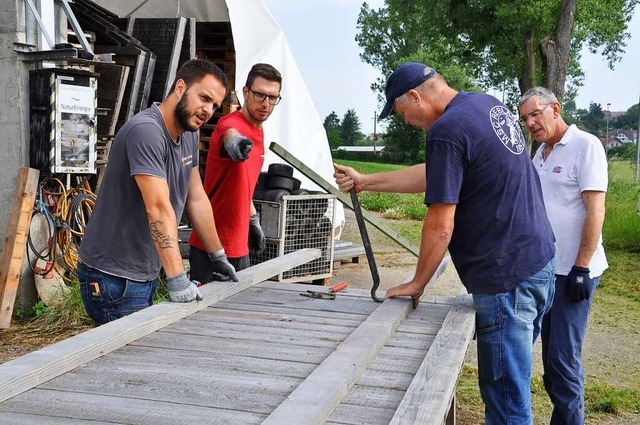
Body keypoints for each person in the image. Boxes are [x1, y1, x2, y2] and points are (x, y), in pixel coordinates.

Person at [334, 62, 556, 424]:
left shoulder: (447, 130)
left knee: (506, 401)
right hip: (538, 263)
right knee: (511, 384)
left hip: (505, 279)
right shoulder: (485, 105)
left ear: (416, 96)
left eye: (402, 112)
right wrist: (366, 181)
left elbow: (440, 223)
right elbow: (438, 172)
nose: (405, 121)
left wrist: (417, 282)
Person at [78, 59, 238, 326]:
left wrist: (217, 256)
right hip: (113, 276)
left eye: (214, 106)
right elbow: (158, 208)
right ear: (180, 87)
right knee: (125, 360)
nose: (208, 110)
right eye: (204, 98)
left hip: (144, 271)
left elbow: (196, 198)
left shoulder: (188, 132)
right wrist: (176, 278)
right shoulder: (146, 132)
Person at [519, 87, 608, 425]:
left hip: (574, 272)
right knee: (549, 359)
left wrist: (582, 267)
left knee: (562, 358)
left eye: (535, 114)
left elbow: (595, 210)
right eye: (525, 117)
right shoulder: (539, 153)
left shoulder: (586, 146)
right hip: (544, 271)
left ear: (555, 108)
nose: (530, 122)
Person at [188, 63, 282, 282]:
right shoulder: (230, 123)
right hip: (211, 250)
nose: (266, 104)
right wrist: (234, 143)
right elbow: (229, 134)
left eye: (272, 97)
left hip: (240, 250)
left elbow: (244, 184)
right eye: (259, 95)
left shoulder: (259, 130)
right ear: (245, 92)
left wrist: (253, 219)